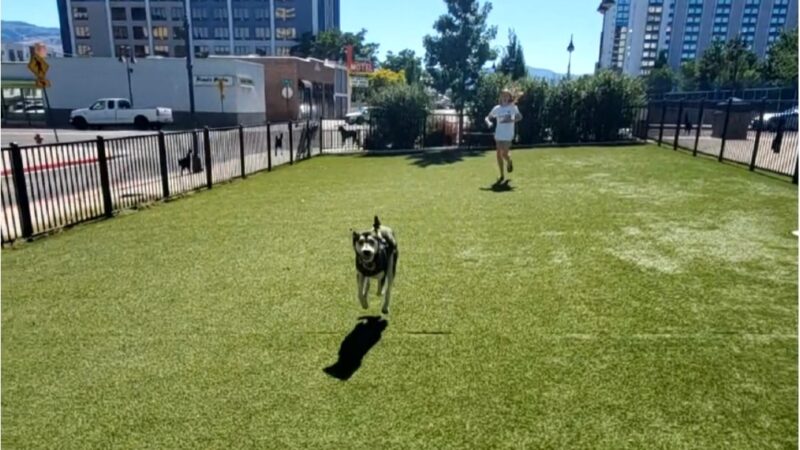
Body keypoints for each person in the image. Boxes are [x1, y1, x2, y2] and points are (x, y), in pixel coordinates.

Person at [485, 89, 522, 181]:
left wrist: (509, 120)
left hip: (508, 134)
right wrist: (488, 122)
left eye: (507, 96)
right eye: (503, 95)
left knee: (504, 154)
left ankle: (509, 162)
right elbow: (487, 117)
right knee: (498, 154)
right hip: (499, 134)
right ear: (500, 97)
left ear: (509, 97)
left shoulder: (512, 107)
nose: (505, 97)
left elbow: (519, 117)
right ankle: (501, 175)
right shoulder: (497, 108)